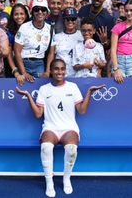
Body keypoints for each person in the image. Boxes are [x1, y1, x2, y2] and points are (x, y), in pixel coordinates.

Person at [15, 58, 105, 198]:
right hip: (50, 127)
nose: (59, 71)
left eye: (62, 69)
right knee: (46, 147)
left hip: (69, 128)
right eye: (56, 69)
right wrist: (28, 96)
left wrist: (89, 93)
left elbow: (81, 110)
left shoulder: (73, 87)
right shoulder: (44, 89)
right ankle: (49, 182)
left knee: (71, 149)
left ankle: (66, 179)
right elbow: (38, 114)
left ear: (66, 71)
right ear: (50, 71)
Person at [14, 0, 54, 81]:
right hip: (24, 63)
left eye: (43, 9)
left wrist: (47, 71)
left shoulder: (50, 29)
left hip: (39, 64)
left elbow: (51, 52)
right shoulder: (24, 27)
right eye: (36, 9)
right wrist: (24, 72)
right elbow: (17, 51)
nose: (40, 12)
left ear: (47, 12)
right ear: (32, 12)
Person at [52, 7, 83, 77]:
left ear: (77, 20)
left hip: (79, 75)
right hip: (60, 75)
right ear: (63, 20)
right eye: (67, 19)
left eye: (73, 19)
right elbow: (52, 56)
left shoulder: (82, 35)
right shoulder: (56, 37)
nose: (70, 21)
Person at [5, 3, 29, 83]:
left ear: (26, 15)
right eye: (16, 14)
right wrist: (15, 71)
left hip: (28, 65)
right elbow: (9, 53)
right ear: (12, 16)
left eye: (22, 14)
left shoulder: (32, 28)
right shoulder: (9, 33)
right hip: (13, 66)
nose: (19, 17)